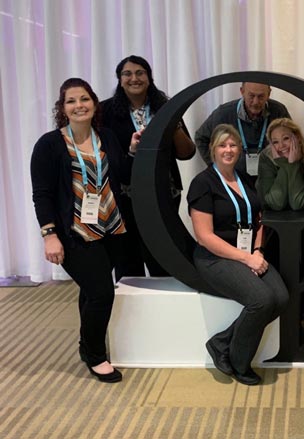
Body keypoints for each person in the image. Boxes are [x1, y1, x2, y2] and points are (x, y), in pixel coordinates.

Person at [31, 78, 135, 383]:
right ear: (62, 108)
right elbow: (42, 194)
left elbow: (121, 175)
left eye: (85, 99)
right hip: (74, 234)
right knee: (102, 293)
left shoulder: (107, 137)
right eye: (71, 101)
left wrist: (130, 151)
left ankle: (86, 344)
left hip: (111, 228)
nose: (79, 106)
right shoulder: (49, 145)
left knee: (92, 291)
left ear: (94, 102)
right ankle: (94, 355)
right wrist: (49, 235)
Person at [187, 124, 288, 385]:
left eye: (232, 145)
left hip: (248, 253)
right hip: (214, 257)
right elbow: (204, 236)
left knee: (282, 297)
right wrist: (246, 259)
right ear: (213, 150)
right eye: (222, 145)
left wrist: (257, 250)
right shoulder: (202, 184)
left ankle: (221, 342)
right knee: (262, 300)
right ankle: (240, 362)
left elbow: (259, 219)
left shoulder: (244, 178)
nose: (228, 150)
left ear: (239, 149)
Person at [101, 55, 196, 279]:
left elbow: (187, 153)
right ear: (119, 79)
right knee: (127, 258)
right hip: (125, 195)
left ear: (149, 77)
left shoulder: (165, 105)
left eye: (140, 73)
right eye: (127, 74)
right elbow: (104, 155)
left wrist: (172, 126)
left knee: (163, 255)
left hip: (164, 191)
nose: (134, 78)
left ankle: (165, 307)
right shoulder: (104, 111)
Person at [256, 118, 304, 318]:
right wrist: (284, 165)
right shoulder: (267, 157)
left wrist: (292, 165)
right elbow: (275, 203)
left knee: (303, 267)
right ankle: (278, 314)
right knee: (274, 265)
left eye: (286, 139)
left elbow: (300, 203)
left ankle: (299, 314)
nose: (280, 147)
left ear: (296, 137)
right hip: (276, 227)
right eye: (275, 141)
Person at [194, 82, 291, 177]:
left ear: (269, 94)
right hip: (234, 178)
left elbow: (292, 140)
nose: (256, 102)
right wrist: (217, 166)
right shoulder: (223, 113)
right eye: (251, 96)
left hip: (270, 176)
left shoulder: (279, 111)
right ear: (242, 91)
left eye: (261, 96)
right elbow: (201, 138)